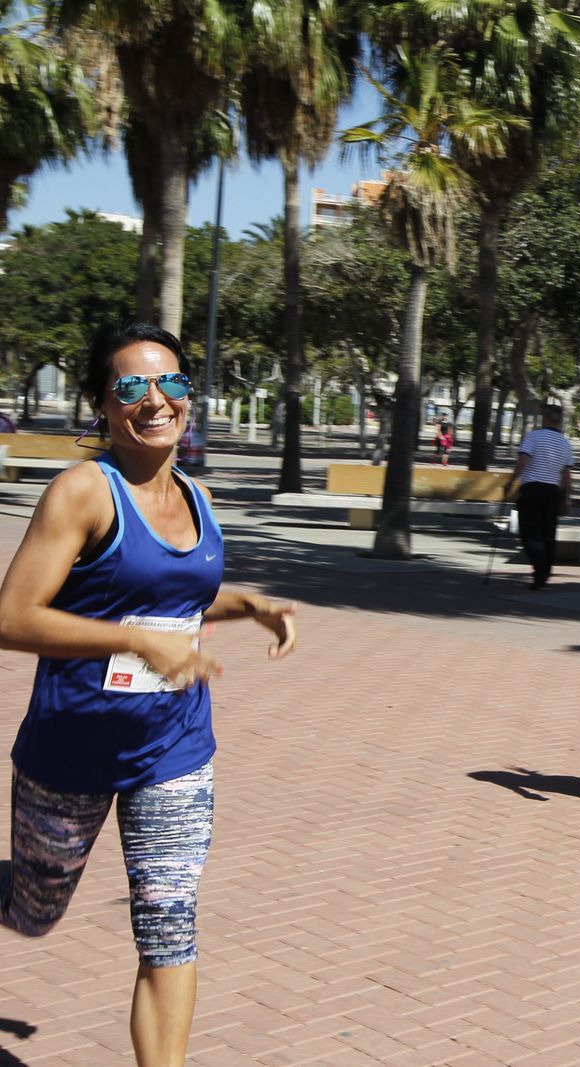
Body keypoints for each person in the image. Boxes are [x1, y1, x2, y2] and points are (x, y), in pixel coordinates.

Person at [0, 322, 298, 1067]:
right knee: (33, 912)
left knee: (169, 924)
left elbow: (175, 602)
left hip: (173, 749)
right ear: (103, 405)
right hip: (70, 752)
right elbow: (11, 616)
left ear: (190, 396)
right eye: (131, 385)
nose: (155, 398)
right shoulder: (82, 492)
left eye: (171, 382)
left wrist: (249, 604)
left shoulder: (196, 496)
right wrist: (134, 642)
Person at [505, 402, 573, 590]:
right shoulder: (565, 444)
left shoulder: (533, 437)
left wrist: (511, 482)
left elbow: (523, 461)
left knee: (529, 532)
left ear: (546, 419)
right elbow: (566, 474)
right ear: (559, 421)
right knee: (548, 532)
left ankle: (540, 567)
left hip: (532, 489)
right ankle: (544, 573)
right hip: (553, 492)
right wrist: (567, 497)